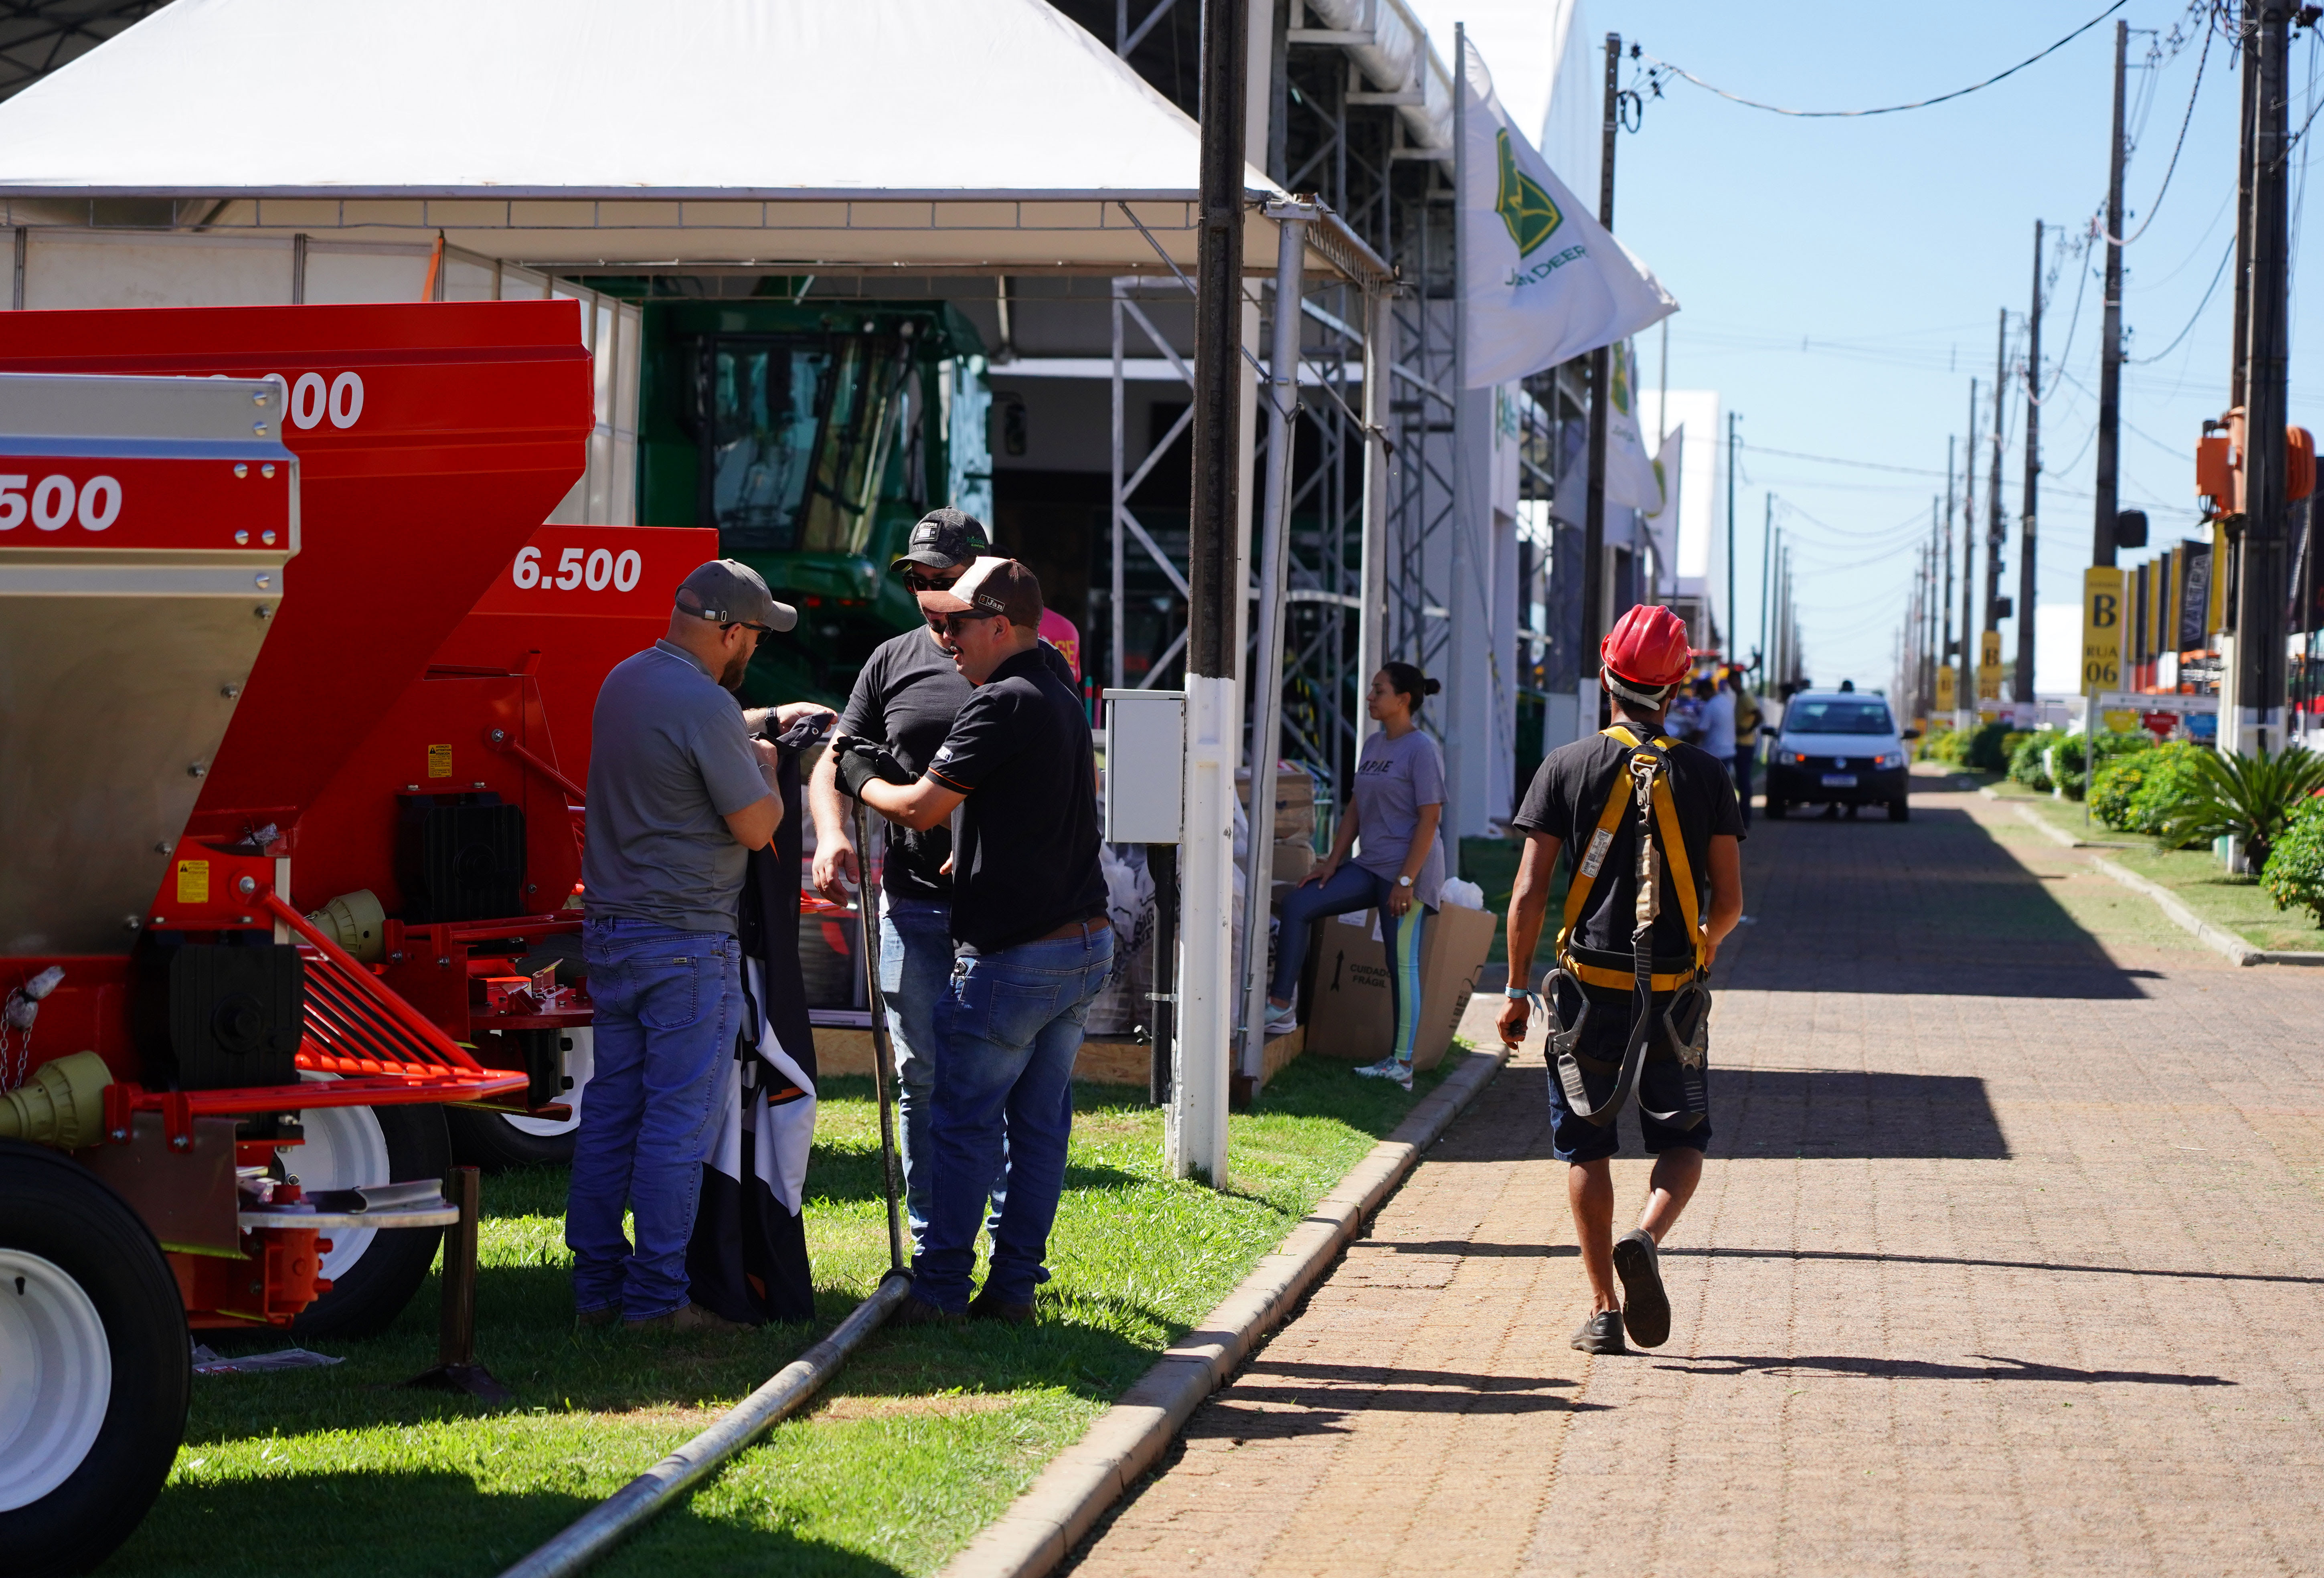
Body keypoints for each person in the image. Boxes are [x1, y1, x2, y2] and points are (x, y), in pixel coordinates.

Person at [837, 557, 1111, 1326]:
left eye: (955, 622)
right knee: (1038, 1124)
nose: (942, 636)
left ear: (999, 625)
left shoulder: (1000, 703)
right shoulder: (1056, 684)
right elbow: (1050, 806)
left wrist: (857, 774)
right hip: (1084, 944)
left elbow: (920, 809)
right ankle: (1015, 1288)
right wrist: (985, 844)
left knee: (960, 1120)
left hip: (1016, 957)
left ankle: (940, 1291)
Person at [570, 559, 830, 1333]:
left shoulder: (626, 680)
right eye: (753, 633)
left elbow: (675, 757)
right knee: (676, 1127)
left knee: (612, 1111)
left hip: (613, 932)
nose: (753, 647)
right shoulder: (706, 704)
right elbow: (754, 827)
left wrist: (747, 731)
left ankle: (595, 1291)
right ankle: (656, 1302)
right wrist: (771, 768)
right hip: (686, 943)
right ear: (728, 632)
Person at [808, 509, 1077, 1252]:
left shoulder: (1030, 663)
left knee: (1004, 1096)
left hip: (1008, 923)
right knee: (925, 1081)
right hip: (920, 911)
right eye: (918, 579)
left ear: (984, 586)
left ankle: (989, 1261)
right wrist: (831, 835)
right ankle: (937, 1242)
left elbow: (1054, 776)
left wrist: (988, 835)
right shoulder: (891, 661)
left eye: (944, 579)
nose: (928, 595)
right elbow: (837, 756)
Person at [1497, 604, 1744, 1357]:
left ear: (1607, 677)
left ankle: (1604, 1308)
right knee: (1682, 1136)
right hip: (1671, 987)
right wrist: (1701, 946)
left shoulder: (1565, 766)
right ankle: (1647, 1234)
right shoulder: (1707, 775)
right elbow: (1729, 904)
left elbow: (1529, 893)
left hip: (1585, 989)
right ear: (1677, 689)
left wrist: (1513, 991)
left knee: (1585, 1145)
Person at [1263, 663, 1445, 1092]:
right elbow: (1355, 809)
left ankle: (1401, 1064)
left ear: (1403, 700)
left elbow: (1430, 819)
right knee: (1299, 903)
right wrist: (1332, 862)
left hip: (1407, 874)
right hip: (1370, 865)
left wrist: (1406, 881)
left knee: (1401, 965)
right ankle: (1278, 1004)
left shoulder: (1422, 750)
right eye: (1371, 690)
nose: (1369, 697)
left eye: (1378, 691)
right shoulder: (1372, 744)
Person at [1729, 668, 1763, 828]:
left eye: (1734, 681)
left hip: (1745, 745)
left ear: (1739, 681)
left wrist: (1747, 730)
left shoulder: (1746, 697)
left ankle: (1745, 818)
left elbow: (1759, 716)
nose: (1732, 685)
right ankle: (1743, 816)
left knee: (1744, 782)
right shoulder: (1740, 697)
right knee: (1741, 782)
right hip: (1742, 744)